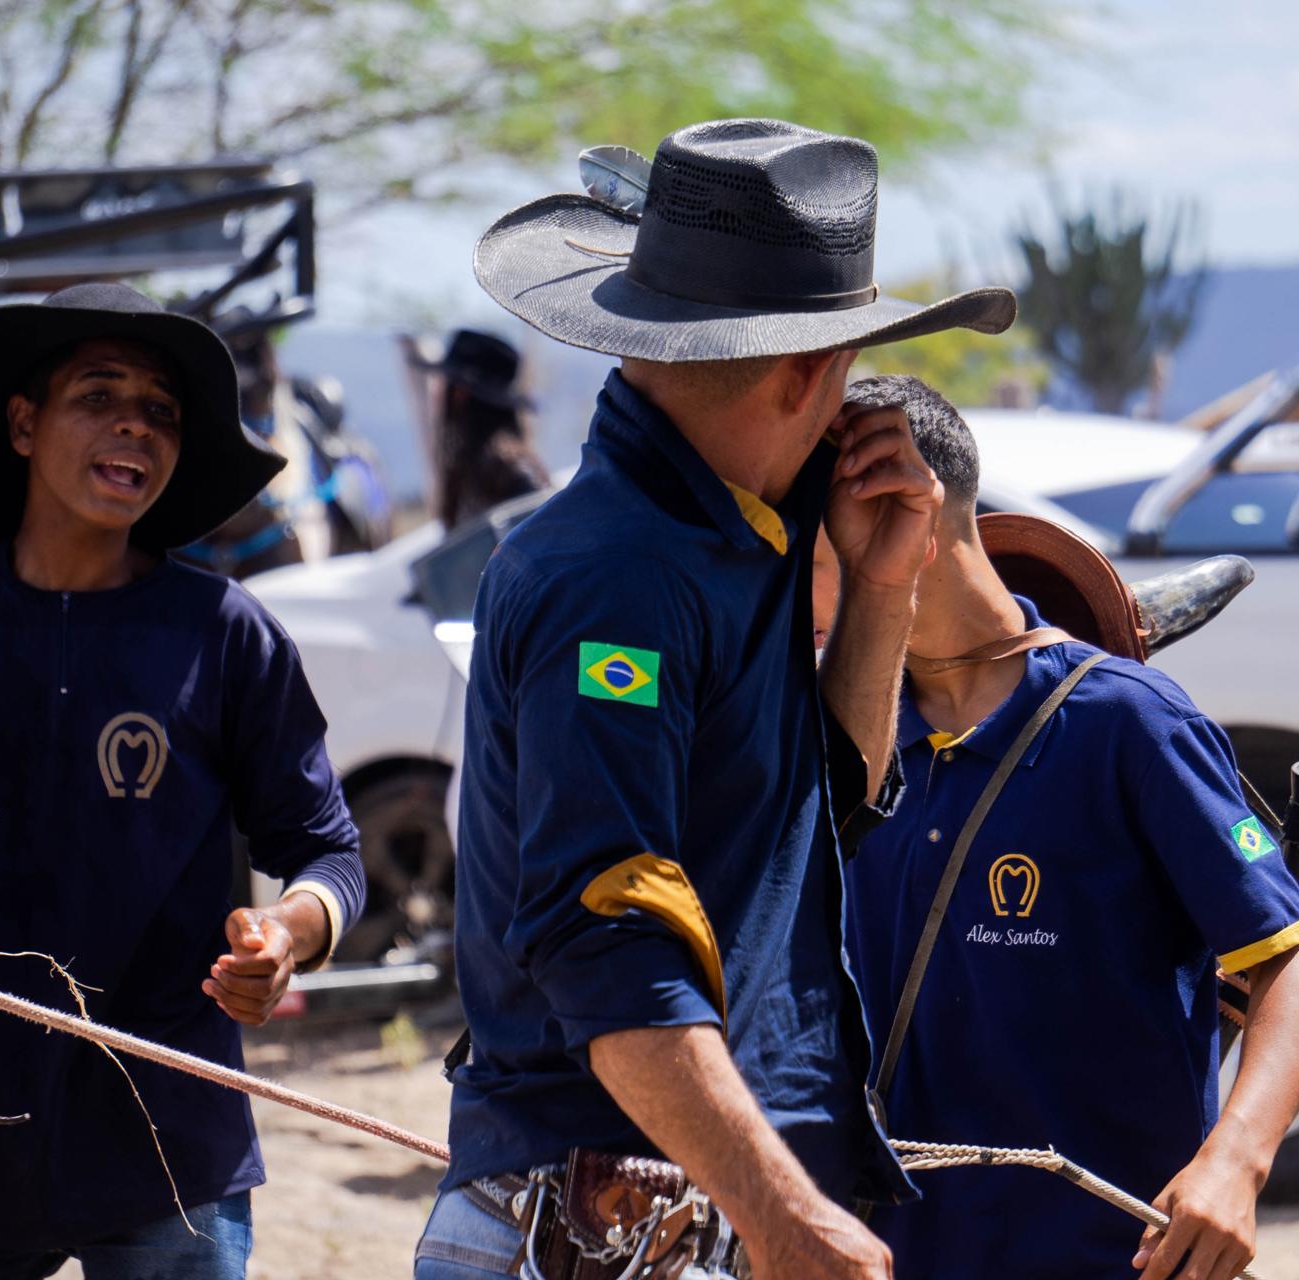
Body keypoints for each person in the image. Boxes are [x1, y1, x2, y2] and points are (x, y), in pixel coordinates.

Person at [415, 120, 1016, 1280]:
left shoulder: (743, 521)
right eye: (846, 360)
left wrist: (880, 586)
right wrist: (786, 1216)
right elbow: (610, 950)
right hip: (597, 1226)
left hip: (691, 1208)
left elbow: (821, 801)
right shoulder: (617, 578)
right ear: (805, 373)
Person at [0, 282, 367, 1279]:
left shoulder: (224, 632)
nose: (135, 425)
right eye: (99, 395)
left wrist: (287, 934)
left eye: (161, 410)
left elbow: (328, 853)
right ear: (23, 424)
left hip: (168, 1146)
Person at [834, 375, 1299, 1280]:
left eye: (804, 533)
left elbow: (1291, 959)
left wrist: (1235, 1162)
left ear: (907, 512)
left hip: (1103, 1257)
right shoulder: (835, 742)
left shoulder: (1126, 722)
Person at [410, 328, 550, 527]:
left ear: (460, 394)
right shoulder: (473, 469)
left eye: (445, 386)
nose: (439, 396)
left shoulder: (512, 474)